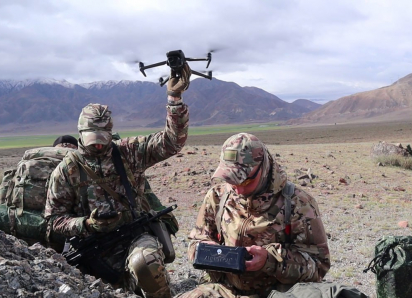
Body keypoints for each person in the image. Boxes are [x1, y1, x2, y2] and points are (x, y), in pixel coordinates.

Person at [44, 63, 191, 298]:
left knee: (146, 262)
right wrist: (86, 224)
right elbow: (54, 221)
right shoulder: (66, 170)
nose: (99, 145)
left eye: (104, 138)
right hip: (96, 247)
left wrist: (174, 99)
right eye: (93, 139)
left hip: (136, 236)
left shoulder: (128, 152)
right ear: (81, 134)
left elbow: (172, 142)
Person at [177, 133, 330, 298]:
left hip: (274, 294)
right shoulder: (217, 196)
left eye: (245, 181)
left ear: (263, 168)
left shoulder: (298, 203)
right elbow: (195, 242)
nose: (238, 189)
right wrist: (205, 251)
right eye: (231, 180)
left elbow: (318, 266)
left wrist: (269, 260)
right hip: (224, 290)